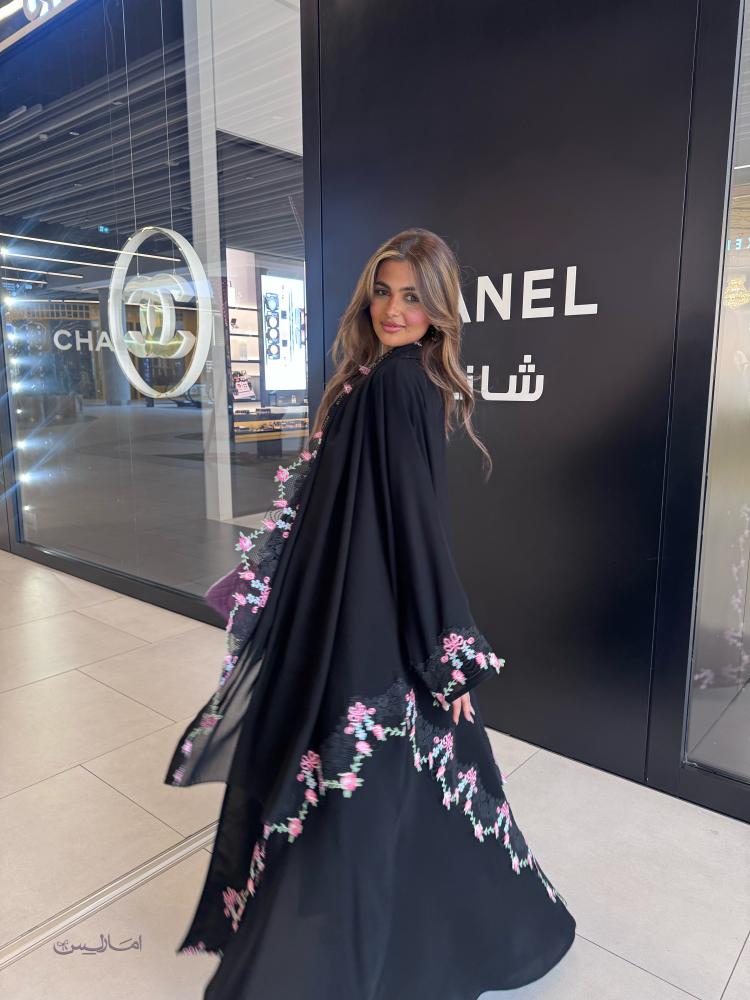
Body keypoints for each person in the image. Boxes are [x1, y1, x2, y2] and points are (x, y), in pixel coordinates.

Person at [164, 228, 576, 998]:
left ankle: (368, 947)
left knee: (366, 776)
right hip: (351, 603)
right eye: (384, 291)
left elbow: (416, 522)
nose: (393, 309)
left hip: (369, 612)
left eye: (413, 297)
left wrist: (446, 650)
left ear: (438, 308)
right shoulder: (376, 375)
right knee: (390, 775)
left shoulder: (399, 385)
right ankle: (455, 930)